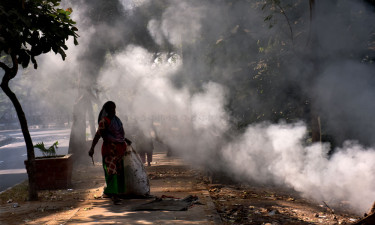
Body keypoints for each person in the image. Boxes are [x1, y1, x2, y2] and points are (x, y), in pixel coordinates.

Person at [88, 101, 127, 205]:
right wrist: (92, 148)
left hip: (119, 151)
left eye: (114, 108)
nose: (113, 110)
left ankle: (114, 193)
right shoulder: (104, 122)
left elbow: (120, 134)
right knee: (112, 172)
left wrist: (125, 141)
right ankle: (114, 195)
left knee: (118, 172)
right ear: (106, 110)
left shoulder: (117, 121)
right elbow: (98, 135)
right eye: (110, 109)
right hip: (109, 150)